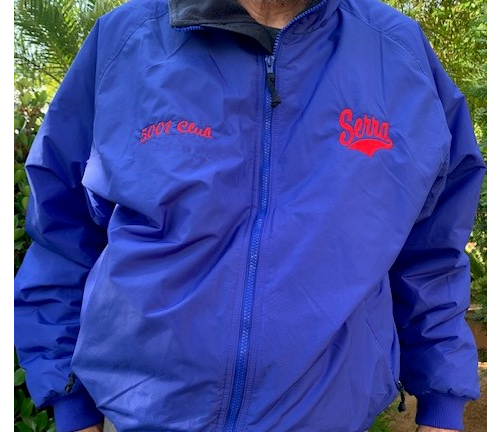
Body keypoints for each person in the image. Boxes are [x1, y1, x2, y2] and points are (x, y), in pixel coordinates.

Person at [14, 0, 486, 431]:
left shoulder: (398, 53)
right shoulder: (126, 40)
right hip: (141, 417)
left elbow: (433, 254)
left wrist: (441, 403)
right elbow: (60, 236)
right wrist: (70, 402)